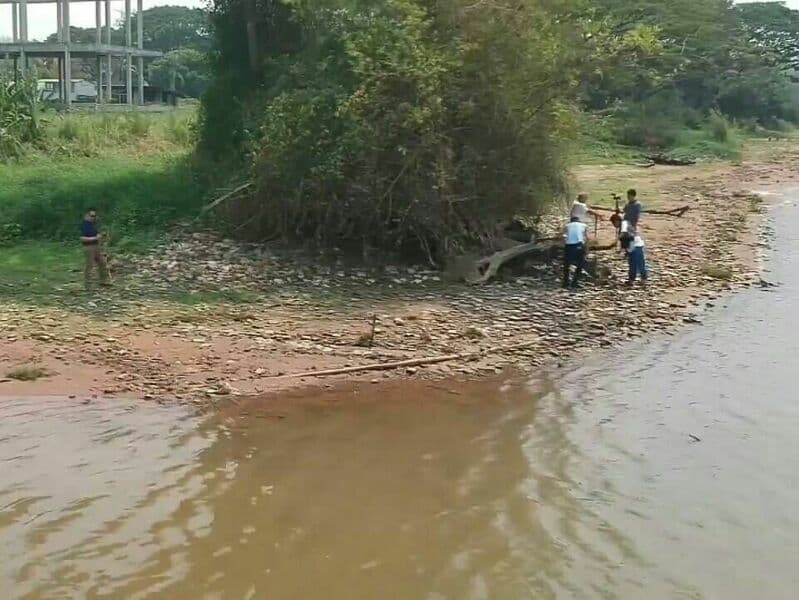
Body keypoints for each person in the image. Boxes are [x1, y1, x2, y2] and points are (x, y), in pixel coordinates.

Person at [80, 208, 111, 288]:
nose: (93, 218)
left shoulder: (93, 225)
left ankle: (103, 281)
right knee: (89, 266)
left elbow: (97, 234)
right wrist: (94, 238)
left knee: (102, 263)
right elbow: (82, 238)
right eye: (92, 216)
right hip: (88, 247)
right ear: (86, 215)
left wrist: (102, 236)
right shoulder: (83, 225)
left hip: (96, 246)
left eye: (94, 216)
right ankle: (88, 285)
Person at [563, 216, 589, 288]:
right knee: (580, 264)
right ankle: (575, 282)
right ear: (579, 221)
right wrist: (586, 248)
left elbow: (561, 236)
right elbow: (587, 238)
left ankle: (565, 283)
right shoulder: (583, 225)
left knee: (567, 264)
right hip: (578, 245)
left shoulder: (567, 225)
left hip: (568, 246)